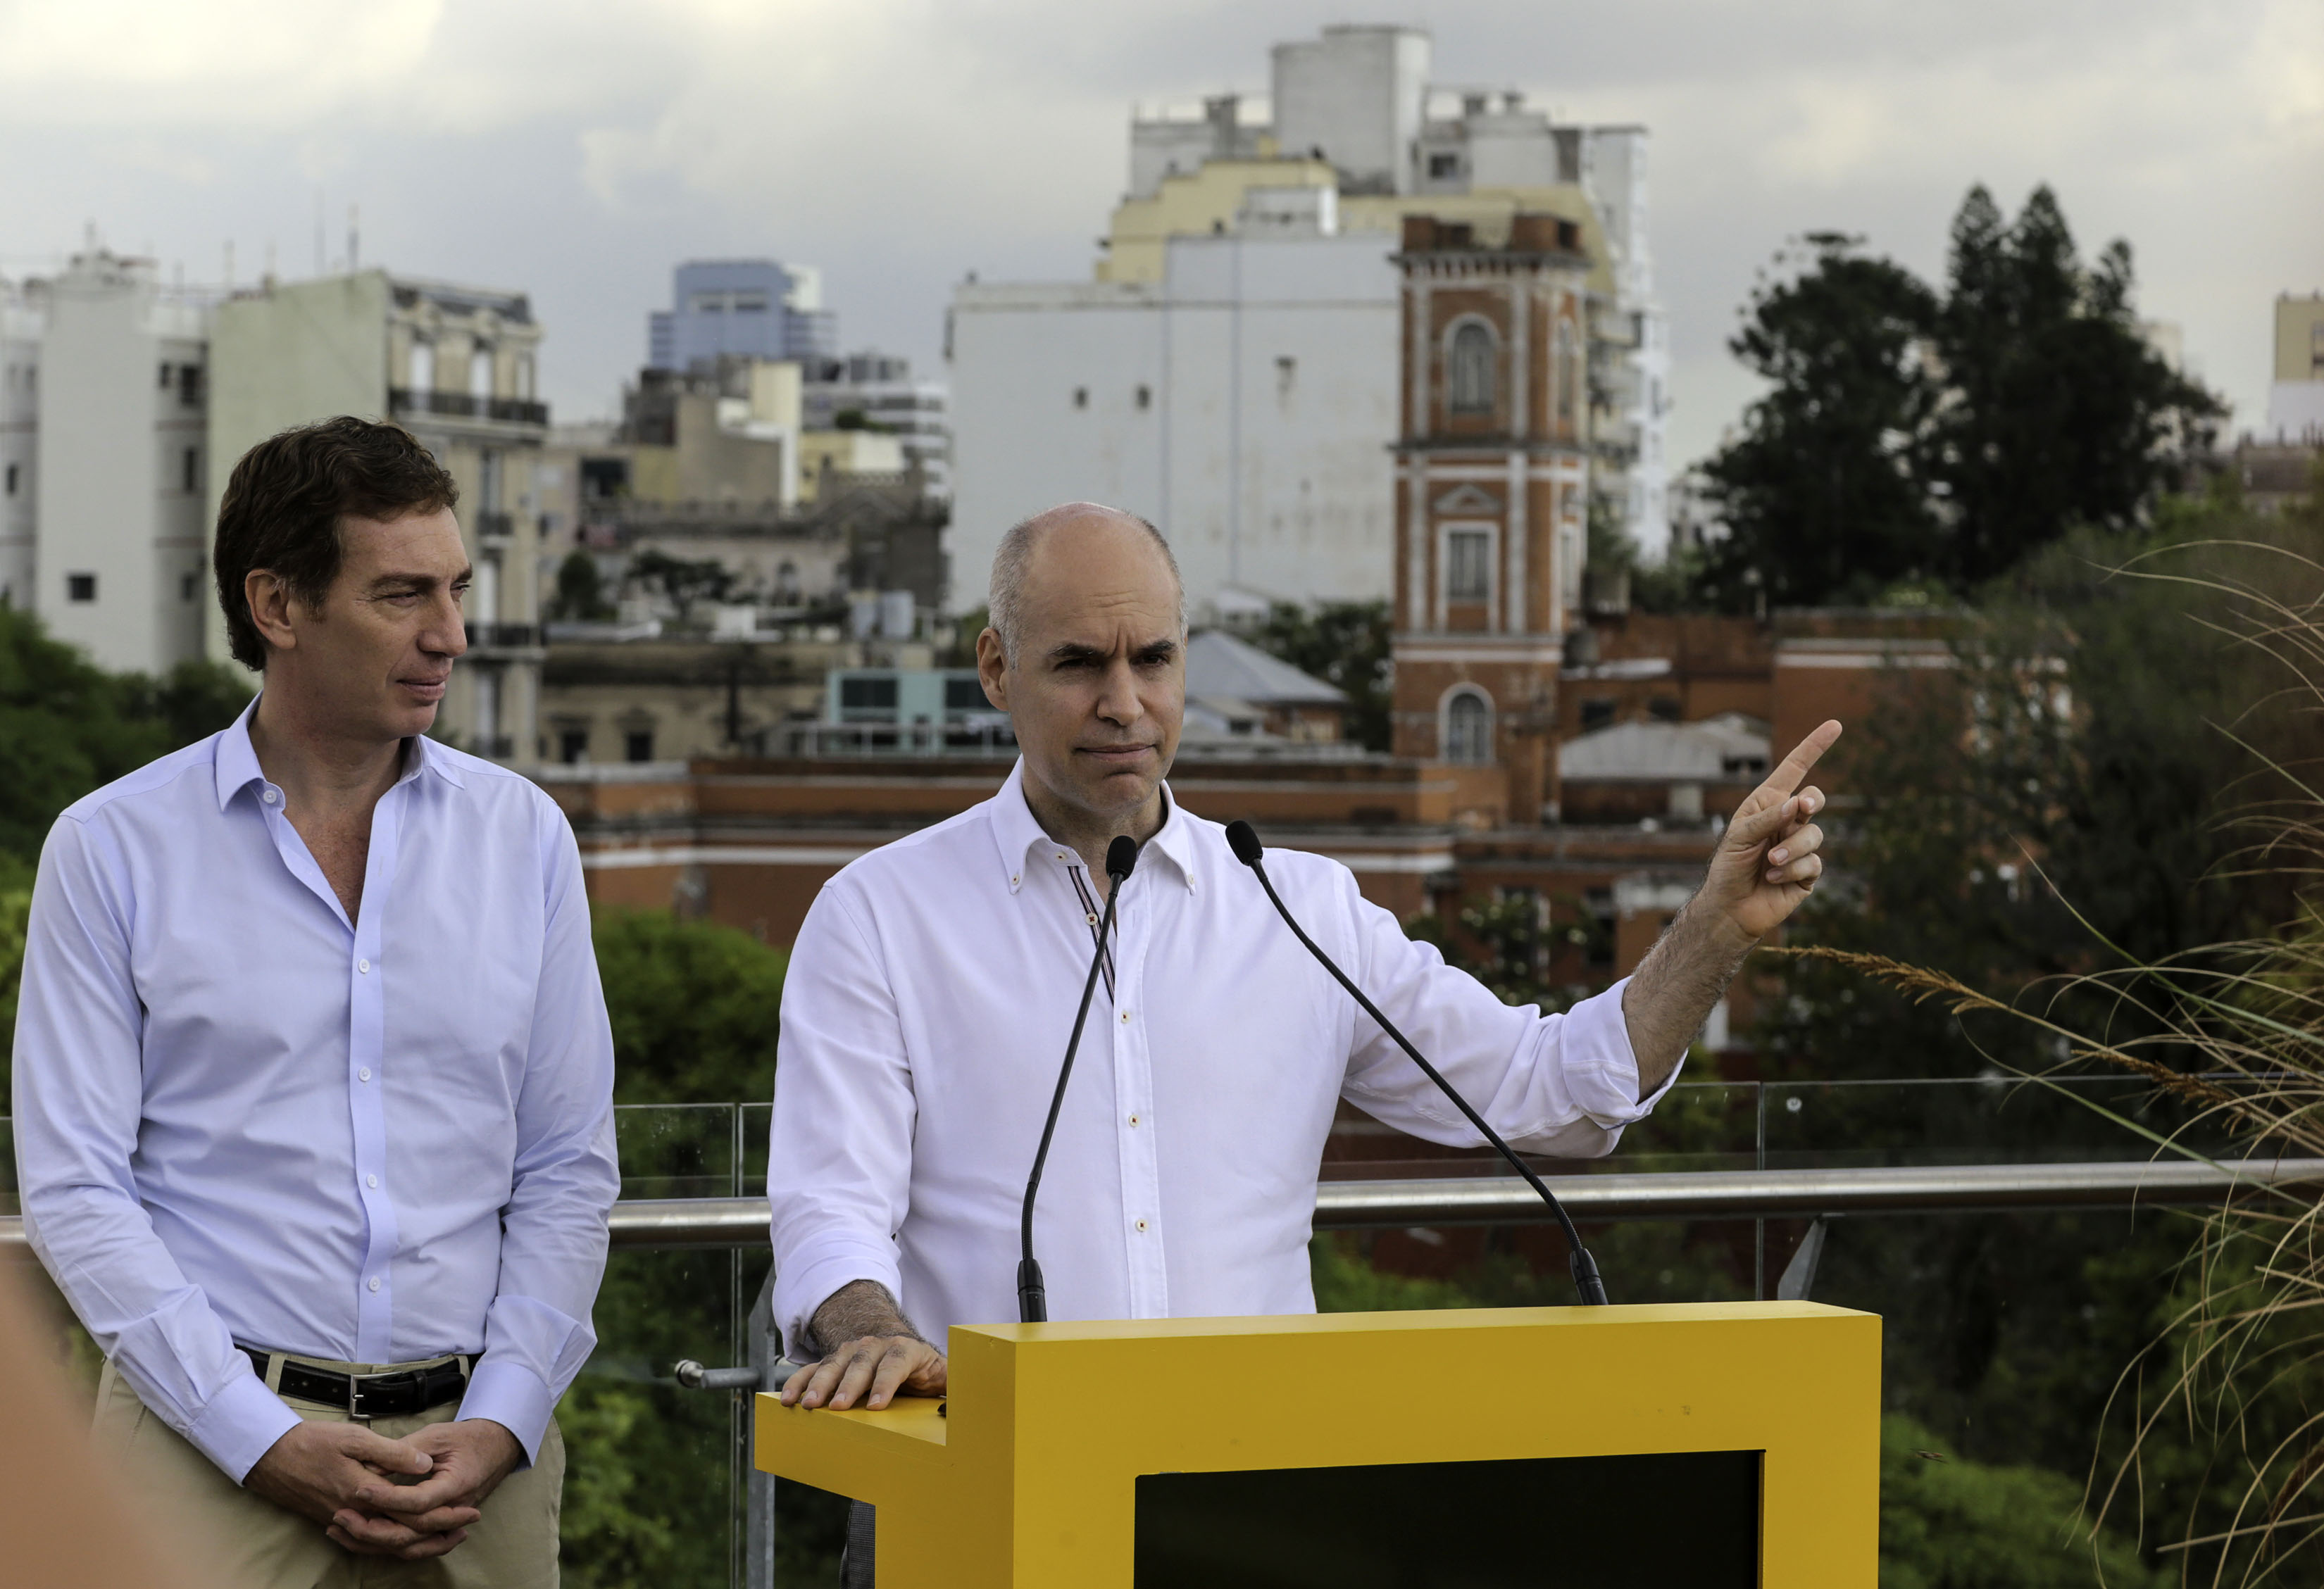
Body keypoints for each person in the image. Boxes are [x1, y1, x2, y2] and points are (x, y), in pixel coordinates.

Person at [768, 503, 1837, 1581]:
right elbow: (830, 1212)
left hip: (1260, 1509)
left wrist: (1712, 928)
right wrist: (873, 1333)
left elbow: (1558, 1090)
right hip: (974, 1506)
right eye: (1079, 663)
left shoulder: (1301, 910)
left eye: (1154, 658)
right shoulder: (878, 915)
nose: (1124, 702)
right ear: (996, 668)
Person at [11, 417, 620, 1588]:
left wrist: (503, 1420)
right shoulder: (112, 849)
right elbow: (78, 1188)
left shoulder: (525, 838)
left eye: (456, 587)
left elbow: (567, 1165)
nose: (450, 633)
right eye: (401, 595)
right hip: (199, 1455)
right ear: (278, 607)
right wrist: (260, 1437)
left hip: (476, 1470)